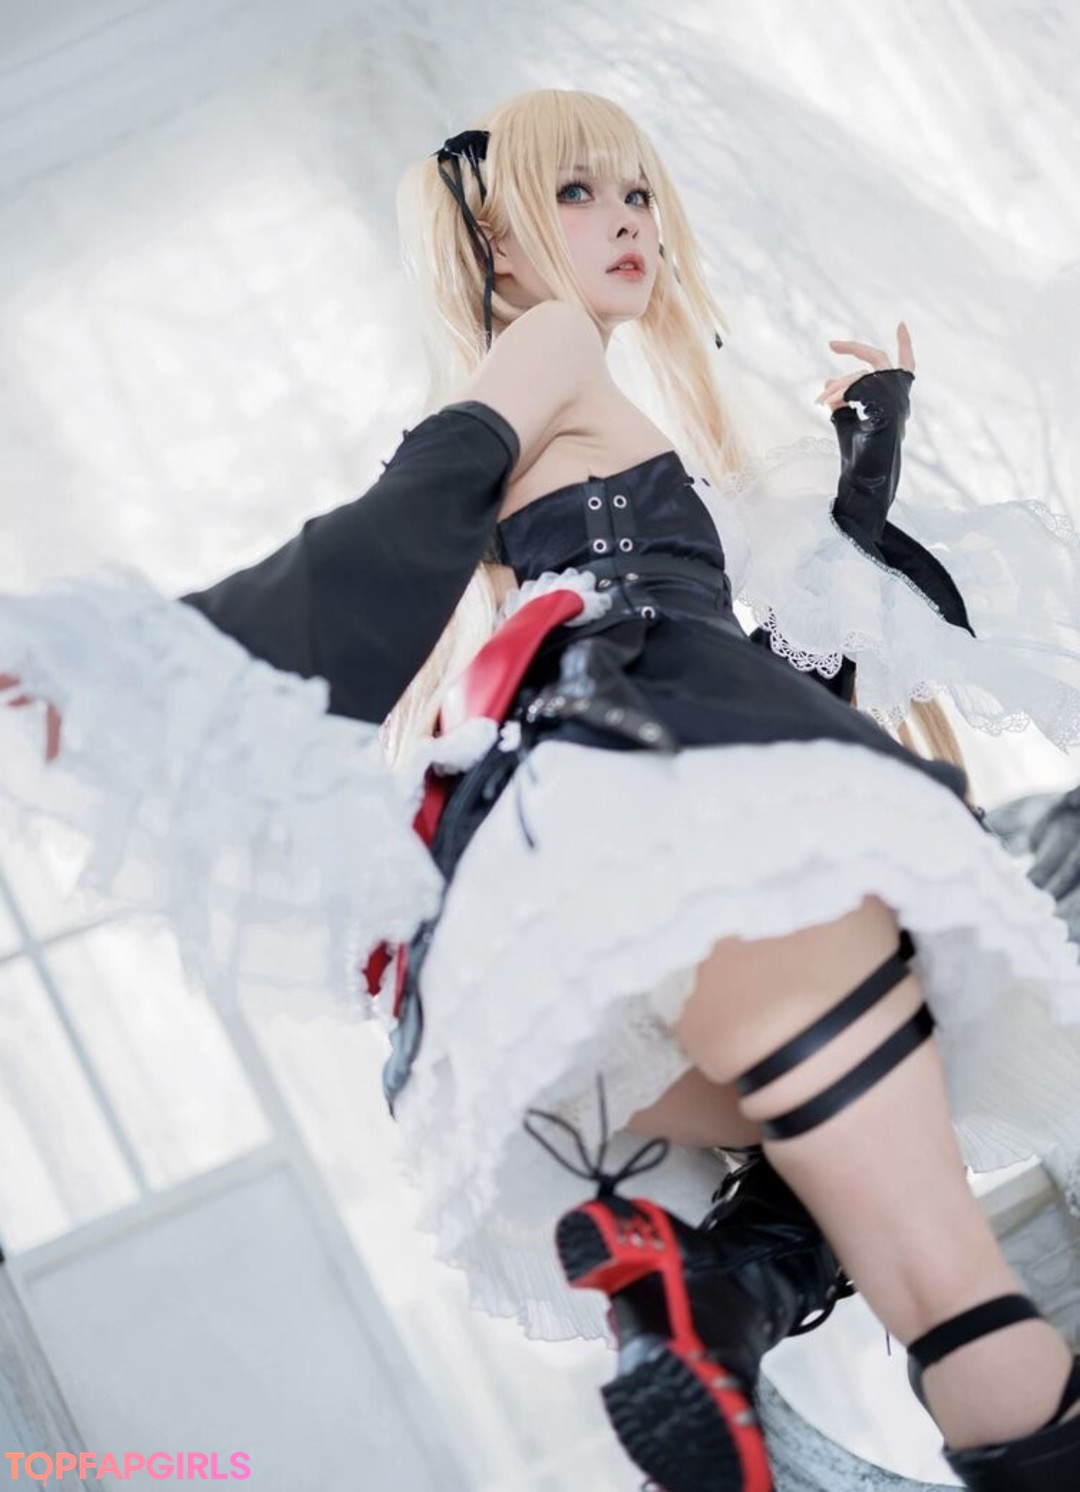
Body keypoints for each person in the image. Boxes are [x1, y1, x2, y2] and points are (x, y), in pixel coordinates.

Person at [4, 88, 1080, 1492]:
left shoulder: (599, 410)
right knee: (955, 1284)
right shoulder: (553, 344)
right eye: (576, 193)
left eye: (636, 194)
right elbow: (420, 498)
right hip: (679, 798)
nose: (626, 221)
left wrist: (865, 461)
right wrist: (161, 661)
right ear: (496, 241)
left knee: (937, 1276)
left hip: (652, 817)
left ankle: (723, 1291)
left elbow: (795, 663)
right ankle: (720, 1293)